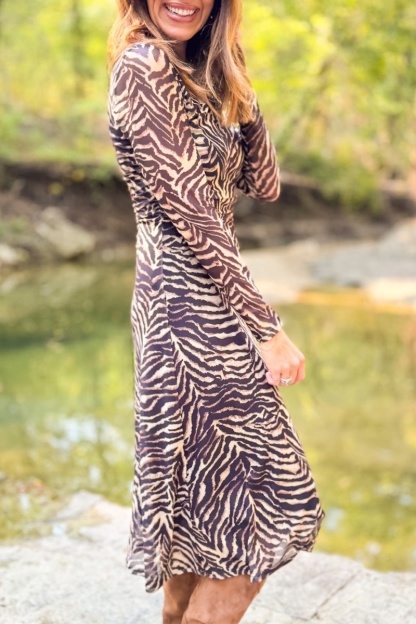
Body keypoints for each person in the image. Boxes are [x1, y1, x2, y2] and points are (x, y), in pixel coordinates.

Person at [107, 1, 325, 622]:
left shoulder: (198, 74)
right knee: (273, 499)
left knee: (200, 503)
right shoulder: (144, 65)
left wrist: (236, 76)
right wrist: (269, 330)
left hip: (203, 300)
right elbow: (197, 217)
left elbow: (265, 183)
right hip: (185, 308)